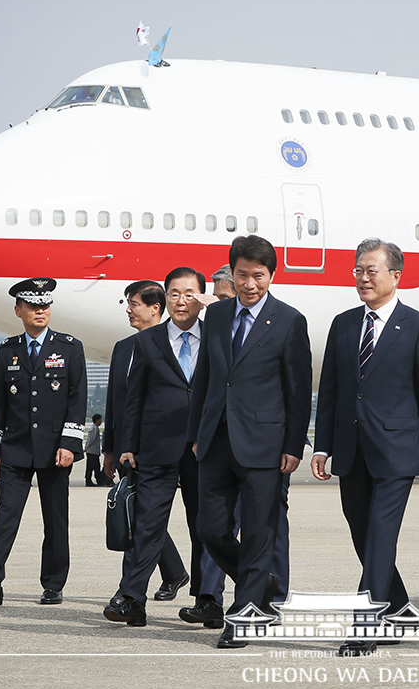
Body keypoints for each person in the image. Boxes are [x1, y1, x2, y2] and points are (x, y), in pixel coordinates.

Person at [313, 239, 419, 657]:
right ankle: (400, 610)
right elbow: (332, 390)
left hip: (396, 451)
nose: (363, 278)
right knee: (362, 536)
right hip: (351, 450)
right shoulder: (343, 323)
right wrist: (321, 446)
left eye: (371, 271)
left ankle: (365, 625)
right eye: (358, 270)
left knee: (380, 538)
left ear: (395, 275)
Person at [187, 235, 312, 649]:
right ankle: (262, 581)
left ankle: (244, 618)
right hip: (216, 441)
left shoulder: (290, 320)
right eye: (242, 275)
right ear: (232, 274)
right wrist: (195, 436)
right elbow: (204, 379)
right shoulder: (218, 316)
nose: (250, 283)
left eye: (258, 275)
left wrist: (294, 445)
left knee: (259, 534)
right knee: (210, 528)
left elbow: (297, 390)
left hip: (265, 444)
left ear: (271, 276)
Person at [0, 278, 86, 607]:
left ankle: (53, 584)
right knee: (5, 514)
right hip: (16, 448)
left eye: (45, 305)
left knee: (55, 519)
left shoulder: (69, 348)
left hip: (55, 450)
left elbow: (77, 400)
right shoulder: (8, 351)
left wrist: (69, 444)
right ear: (18, 310)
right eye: (33, 306)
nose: (40, 311)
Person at [104, 267, 208, 627]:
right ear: (165, 298)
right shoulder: (149, 341)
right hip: (156, 446)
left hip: (203, 448)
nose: (182, 300)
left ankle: (207, 599)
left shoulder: (217, 337)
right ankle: (131, 598)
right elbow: (134, 399)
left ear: (202, 297)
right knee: (147, 524)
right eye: (174, 293)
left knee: (205, 527)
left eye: (190, 293)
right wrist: (126, 446)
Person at [84, 414, 104, 486]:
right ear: (97, 420)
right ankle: (99, 481)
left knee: (90, 467)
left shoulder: (94, 428)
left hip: (92, 451)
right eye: (100, 420)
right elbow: (91, 439)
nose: (101, 421)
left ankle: (88, 480)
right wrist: (87, 446)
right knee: (96, 467)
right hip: (93, 451)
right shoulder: (94, 428)